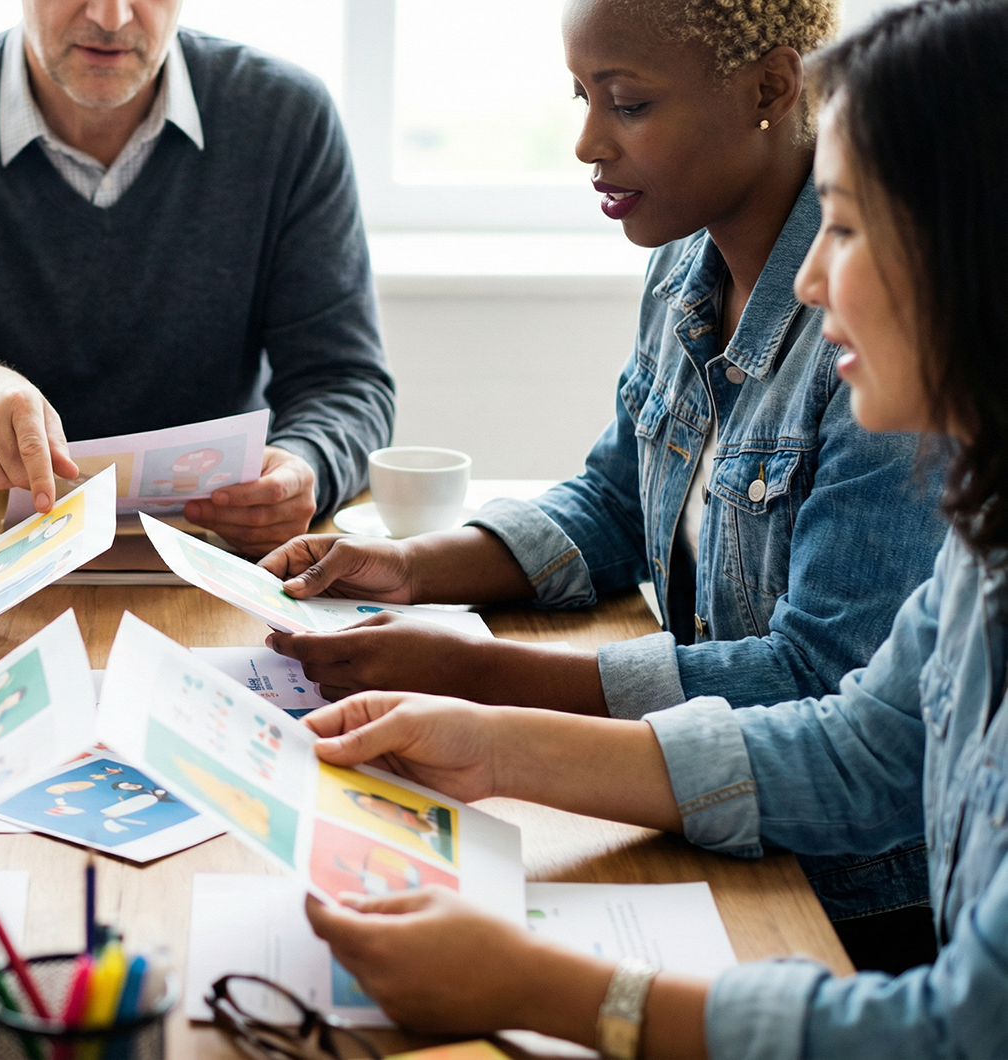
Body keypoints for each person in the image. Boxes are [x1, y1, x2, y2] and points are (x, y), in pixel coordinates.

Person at [303, 3, 1008, 1053]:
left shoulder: (904, 429)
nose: (814, 279)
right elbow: (865, 746)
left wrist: (554, 991)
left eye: (849, 229)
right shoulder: (981, 536)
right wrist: (488, 739)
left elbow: (955, 1029)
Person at [0, 0, 394, 557]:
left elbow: (344, 381)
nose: (111, 17)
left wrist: (306, 462)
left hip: (218, 555)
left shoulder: (285, 118)